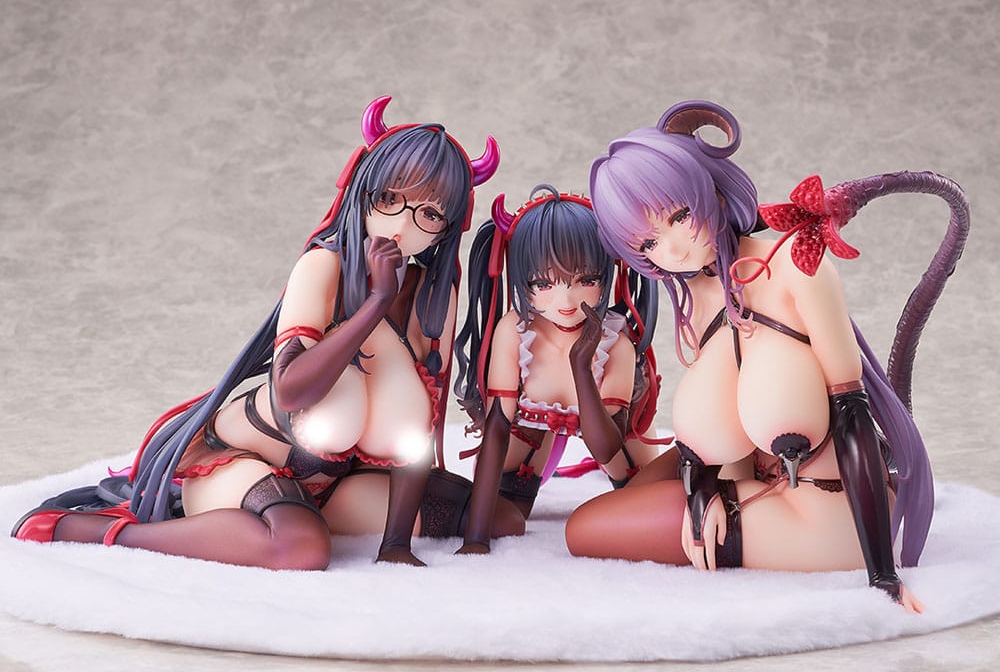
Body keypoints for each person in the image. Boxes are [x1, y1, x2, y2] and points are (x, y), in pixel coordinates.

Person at [13, 96, 522, 568]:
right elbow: (293, 390)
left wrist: (395, 546)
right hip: (246, 461)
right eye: (389, 198)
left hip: (341, 480)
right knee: (301, 548)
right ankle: (99, 532)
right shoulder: (323, 266)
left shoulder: (434, 295)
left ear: (446, 228)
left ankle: (295, 513)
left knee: (498, 518)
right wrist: (375, 303)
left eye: (429, 214)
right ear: (363, 190)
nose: (401, 226)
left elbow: (416, 432)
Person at [566, 100, 969, 610]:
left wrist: (883, 577)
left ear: (711, 190)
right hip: (759, 488)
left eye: (680, 216)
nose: (673, 250)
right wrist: (703, 492)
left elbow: (854, 416)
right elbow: (724, 416)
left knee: (585, 529)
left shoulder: (795, 267)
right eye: (648, 242)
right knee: (615, 506)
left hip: (827, 515)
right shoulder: (699, 295)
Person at [453, 185, 663, 554]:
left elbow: (606, 447)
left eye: (587, 280)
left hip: (613, 437)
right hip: (531, 433)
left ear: (609, 273)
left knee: (649, 506)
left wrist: (582, 366)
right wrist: (475, 537)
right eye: (543, 283)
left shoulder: (616, 342)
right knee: (505, 518)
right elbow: (498, 426)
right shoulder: (515, 330)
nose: (565, 300)